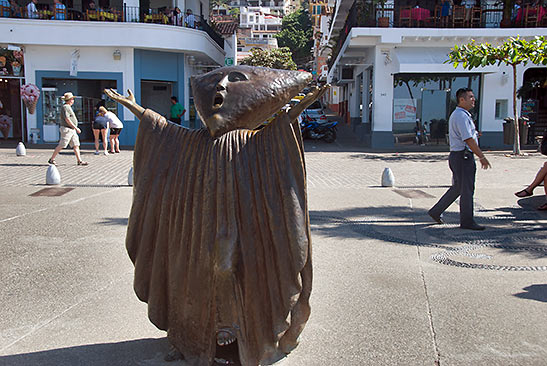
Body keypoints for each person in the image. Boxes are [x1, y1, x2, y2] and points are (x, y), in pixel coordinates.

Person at [428, 88, 491, 230]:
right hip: (463, 156)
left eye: (473, 97)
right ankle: (467, 221)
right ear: (462, 100)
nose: (473, 100)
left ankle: (436, 211)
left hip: (459, 156)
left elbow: (469, 136)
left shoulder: (462, 115)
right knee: (467, 189)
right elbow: (468, 139)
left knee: (458, 188)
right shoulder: (461, 116)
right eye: (470, 97)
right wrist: (481, 156)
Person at [48, 92, 88, 166]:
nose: (73, 100)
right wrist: (75, 127)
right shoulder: (66, 107)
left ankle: (79, 160)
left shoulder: (68, 107)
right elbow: (67, 119)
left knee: (76, 144)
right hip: (67, 129)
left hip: (71, 129)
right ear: (69, 100)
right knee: (62, 144)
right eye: (72, 99)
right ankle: (52, 159)